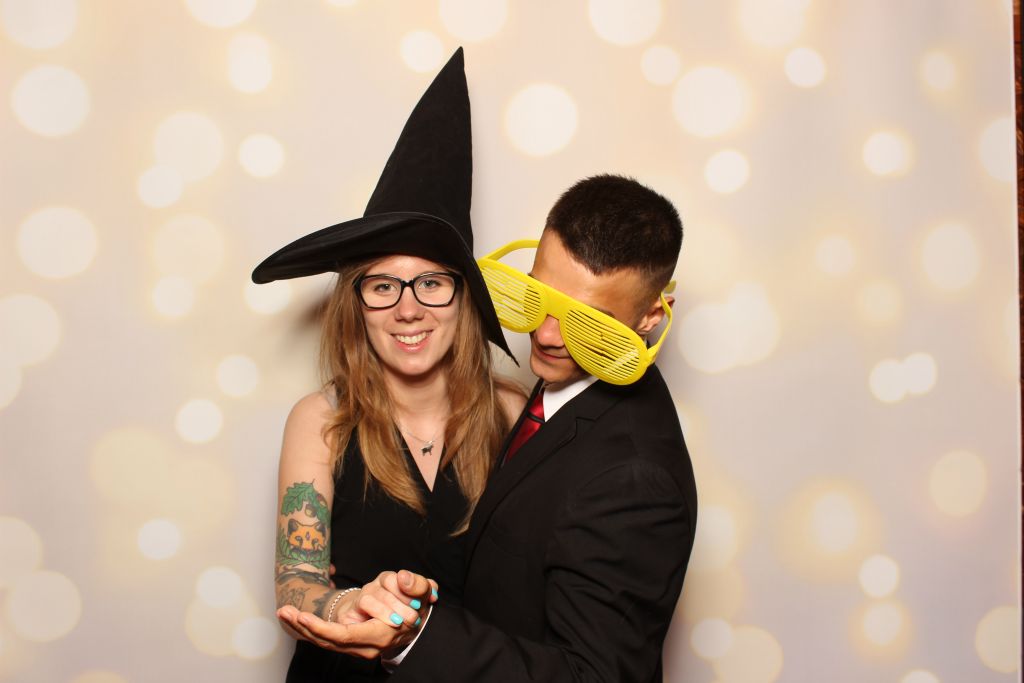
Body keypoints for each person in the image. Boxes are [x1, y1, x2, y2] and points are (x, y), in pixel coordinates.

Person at [289, 174, 699, 682]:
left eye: (588, 321)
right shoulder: (556, 396)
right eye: (539, 296)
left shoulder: (634, 476)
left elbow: (593, 675)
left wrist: (412, 636)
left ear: (650, 317)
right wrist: (340, 602)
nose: (546, 335)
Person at [254, 48, 524, 681]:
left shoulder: (513, 413)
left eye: (431, 283)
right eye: (382, 286)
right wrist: (347, 606)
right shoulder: (320, 420)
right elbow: (296, 580)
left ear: (463, 298)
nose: (407, 309)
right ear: (357, 305)